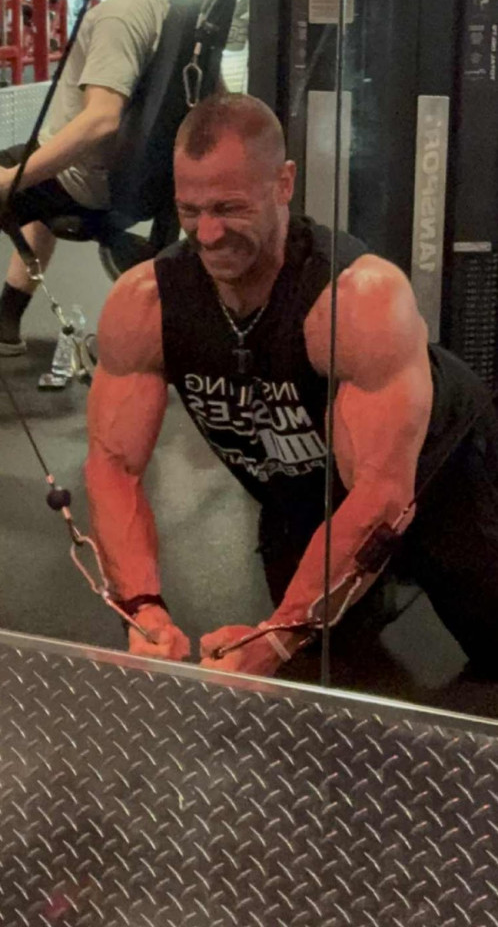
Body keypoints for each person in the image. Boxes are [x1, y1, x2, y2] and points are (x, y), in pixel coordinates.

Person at [85, 92, 498, 683]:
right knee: (320, 660)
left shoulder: (355, 301)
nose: (207, 234)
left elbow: (384, 493)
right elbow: (113, 464)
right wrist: (141, 605)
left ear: (283, 183)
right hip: (307, 494)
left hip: (444, 475)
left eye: (228, 208)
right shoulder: (146, 304)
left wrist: (278, 636)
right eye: (189, 210)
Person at [0, 0, 199, 356]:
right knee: (36, 170)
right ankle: (6, 320)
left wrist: (10, 181)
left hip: (84, 182)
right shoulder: (177, 6)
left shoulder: (121, 14)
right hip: (129, 179)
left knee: (25, 171)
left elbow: (100, 122)